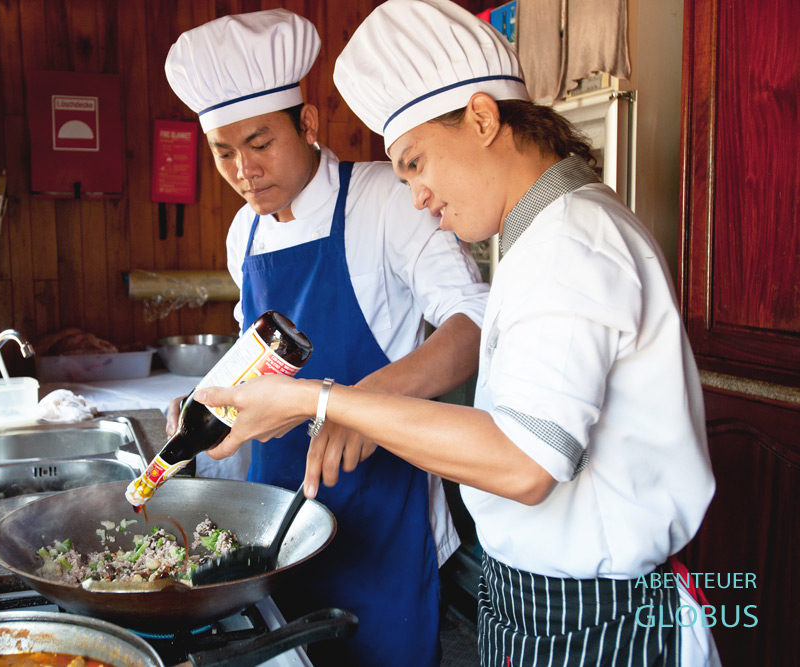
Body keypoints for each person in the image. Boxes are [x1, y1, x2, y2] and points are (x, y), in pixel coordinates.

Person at [193, 1, 720, 665]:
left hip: (596, 617)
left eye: (415, 162)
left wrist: (321, 400)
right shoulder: (545, 234)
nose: (414, 193)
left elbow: (525, 464)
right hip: (544, 602)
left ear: (481, 118)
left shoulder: (570, 242)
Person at [162, 8, 489, 666]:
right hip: (276, 527)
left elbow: (476, 322)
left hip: (384, 527)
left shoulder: (384, 200)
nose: (244, 170)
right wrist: (208, 400)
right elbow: (259, 357)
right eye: (224, 152)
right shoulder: (242, 234)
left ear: (306, 125)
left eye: (260, 143)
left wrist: (361, 400)